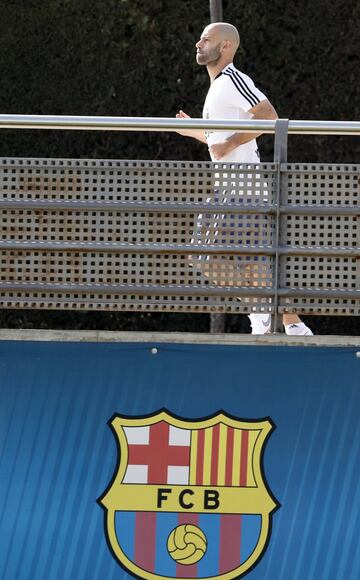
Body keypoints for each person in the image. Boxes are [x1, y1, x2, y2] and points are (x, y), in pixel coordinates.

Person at [176, 22, 313, 335]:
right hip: (233, 189)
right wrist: (195, 132)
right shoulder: (217, 89)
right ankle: (292, 324)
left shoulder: (233, 79)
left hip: (243, 188)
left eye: (206, 39)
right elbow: (219, 142)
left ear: (225, 47)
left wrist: (231, 141)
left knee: (205, 257)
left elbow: (271, 118)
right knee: (252, 263)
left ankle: (264, 309)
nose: (198, 43)